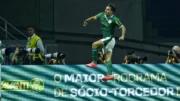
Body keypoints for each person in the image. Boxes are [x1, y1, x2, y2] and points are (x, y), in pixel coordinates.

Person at [83, 3, 126, 82]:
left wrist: (122, 36)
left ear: (112, 11)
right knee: (108, 59)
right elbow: (94, 17)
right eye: (105, 9)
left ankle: (94, 62)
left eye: (108, 9)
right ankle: (110, 75)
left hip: (110, 38)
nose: (105, 10)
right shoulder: (101, 15)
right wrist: (87, 20)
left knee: (94, 44)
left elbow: (123, 27)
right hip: (108, 40)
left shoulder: (115, 19)